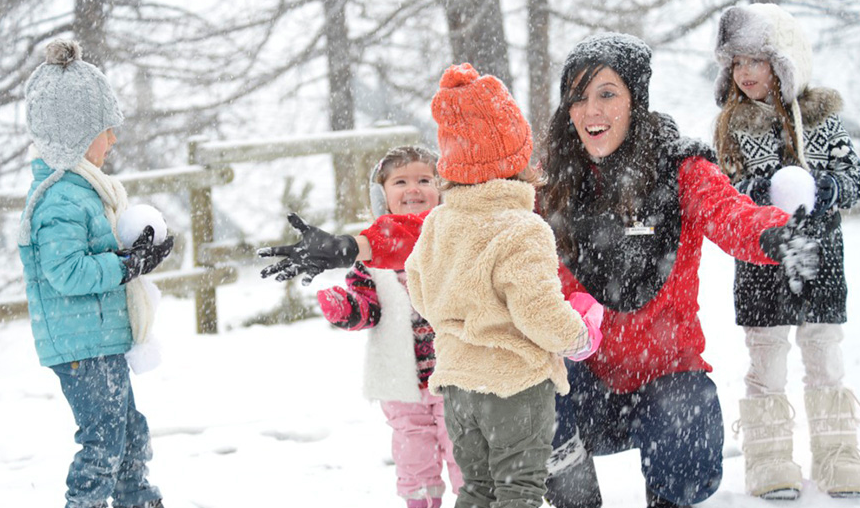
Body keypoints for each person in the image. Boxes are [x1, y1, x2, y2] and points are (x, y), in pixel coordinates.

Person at [257, 35, 820, 508]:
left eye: (607, 94)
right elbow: (451, 224)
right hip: (572, 379)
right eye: (578, 98)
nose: (591, 111)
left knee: (687, 427)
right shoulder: (542, 179)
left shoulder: (680, 167)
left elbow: (730, 215)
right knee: (531, 406)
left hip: (663, 375)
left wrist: (775, 233)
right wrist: (351, 246)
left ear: (636, 100)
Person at [406, 62, 598, 508]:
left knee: (477, 488)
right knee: (518, 492)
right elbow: (538, 313)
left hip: (458, 388)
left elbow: (420, 291)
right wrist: (578, 333)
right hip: (515, 386)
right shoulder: (521, 228)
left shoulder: (438, 223)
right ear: (516, 160)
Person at [713, 4, 860, 499]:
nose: (746, 73)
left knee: (825, 358)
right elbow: (725, 193)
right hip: (762, 264)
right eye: (737, 64)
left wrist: (818, 189)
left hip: (821, 259)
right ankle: (769, 459)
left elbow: (854, 180)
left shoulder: (824, 120)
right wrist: (766, 192)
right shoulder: (733, 126)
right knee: (767, 362)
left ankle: (840, 456)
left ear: (785, 60)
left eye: (756, 60)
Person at [18, 40, 173, 508]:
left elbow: (90, 258)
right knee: (104, 442)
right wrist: (126, 267)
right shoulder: (60, 199)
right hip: (81, 348)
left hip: (98, 342)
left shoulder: (82, 192)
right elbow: (67, 272)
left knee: (128, 433)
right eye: (106, 129)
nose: (113, 140)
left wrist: (135, 254)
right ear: (77, 133)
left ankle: (137, 500)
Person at [315, 145, 463, 508]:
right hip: (401, 381)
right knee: (413, 453)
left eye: (424, 179)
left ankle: (472, 500)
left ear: (441, 189)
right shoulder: (371, 253)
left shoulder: (453, 239)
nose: (413, 188)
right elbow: (367, 307)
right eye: (401, 181)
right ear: (382, 197)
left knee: (465, 450)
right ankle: (421, 501)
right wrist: (345, 308)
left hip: (456, 376)